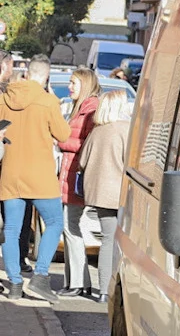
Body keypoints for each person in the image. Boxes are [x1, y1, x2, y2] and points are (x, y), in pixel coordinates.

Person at [0, 58, 68, 303]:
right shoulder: (48, 101)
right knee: (54, 222)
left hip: (10, 172)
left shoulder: (5, 97)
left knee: (11, 228)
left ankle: (15, 284)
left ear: (26, 74)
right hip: (39, 173)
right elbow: (63, 134)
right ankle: (40, 277)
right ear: (46, 77)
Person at [78, 90, 130, 303]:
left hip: (99, 195)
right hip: (121, 194)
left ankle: (103, 290)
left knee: (107, 240)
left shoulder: (96, 132)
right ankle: (116, 290)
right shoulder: (126, 130)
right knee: (124, 244)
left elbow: (82, 162)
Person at [57, 68, 100, 299]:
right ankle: (76, 281)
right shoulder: (80, 109)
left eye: (73, 83)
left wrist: (62, 141)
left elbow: (87, 145)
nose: (69, 87)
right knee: (69, 228)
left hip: (77, 179)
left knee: (71, 228)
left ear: (85, 84)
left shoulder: (91, 110)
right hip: (69, 176)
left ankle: (78, 283)